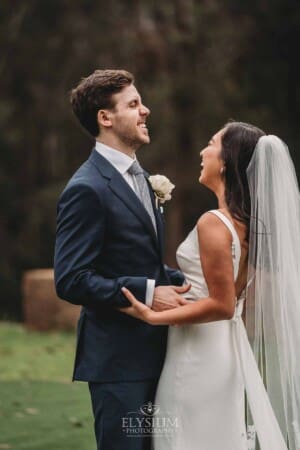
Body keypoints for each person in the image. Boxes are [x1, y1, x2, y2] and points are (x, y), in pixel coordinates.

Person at [121, 122, 300, 449]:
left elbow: (223, 304)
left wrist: (152, 316)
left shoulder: (214, 223)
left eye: (211, 143)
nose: (203, 152)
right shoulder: (248, 227)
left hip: (197, 354)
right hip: (223, 350)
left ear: (227, 160)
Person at [54, 69, 190, 450]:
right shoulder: (86, 189)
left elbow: (138, 260)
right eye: (133, 104)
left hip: (159, 353)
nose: (146, 110)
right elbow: (71, 279)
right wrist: (149, 292)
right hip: (118, 364)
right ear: (105, 117)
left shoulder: (141, 178)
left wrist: (191, 279)